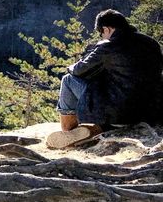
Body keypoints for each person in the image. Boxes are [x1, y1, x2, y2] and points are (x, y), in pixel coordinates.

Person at [46, 9, 163, 149]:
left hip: (118, 113)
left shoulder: (108, 46)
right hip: (149, 111)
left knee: (68, 80)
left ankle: (69, 132)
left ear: (106, 29)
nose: (101, 37)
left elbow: (78, 70)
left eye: (101, 33)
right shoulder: (151, 43)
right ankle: (89, 130)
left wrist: (71, 67)